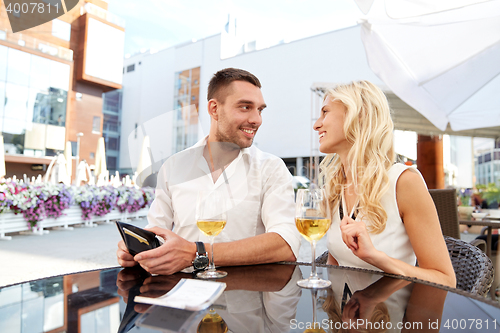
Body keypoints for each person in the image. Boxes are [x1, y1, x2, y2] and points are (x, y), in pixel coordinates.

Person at [117, 68, 300, 275]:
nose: (257, 119)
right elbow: (157, 233)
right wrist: (138, 250)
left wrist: (197, 253)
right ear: (214, 109)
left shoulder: (271, 168)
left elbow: (286, 244)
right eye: (245, 107)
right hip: (181, 296)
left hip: (246, 297)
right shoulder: (174, 166)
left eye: (260, 110)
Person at [313, 80, 456, 287]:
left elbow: (445, 279)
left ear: (358, 116)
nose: (316, 124)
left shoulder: (404, 182)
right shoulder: (334, 187)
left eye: (325, 112)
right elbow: (336, 265)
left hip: (388, 315)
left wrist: (375, 257)